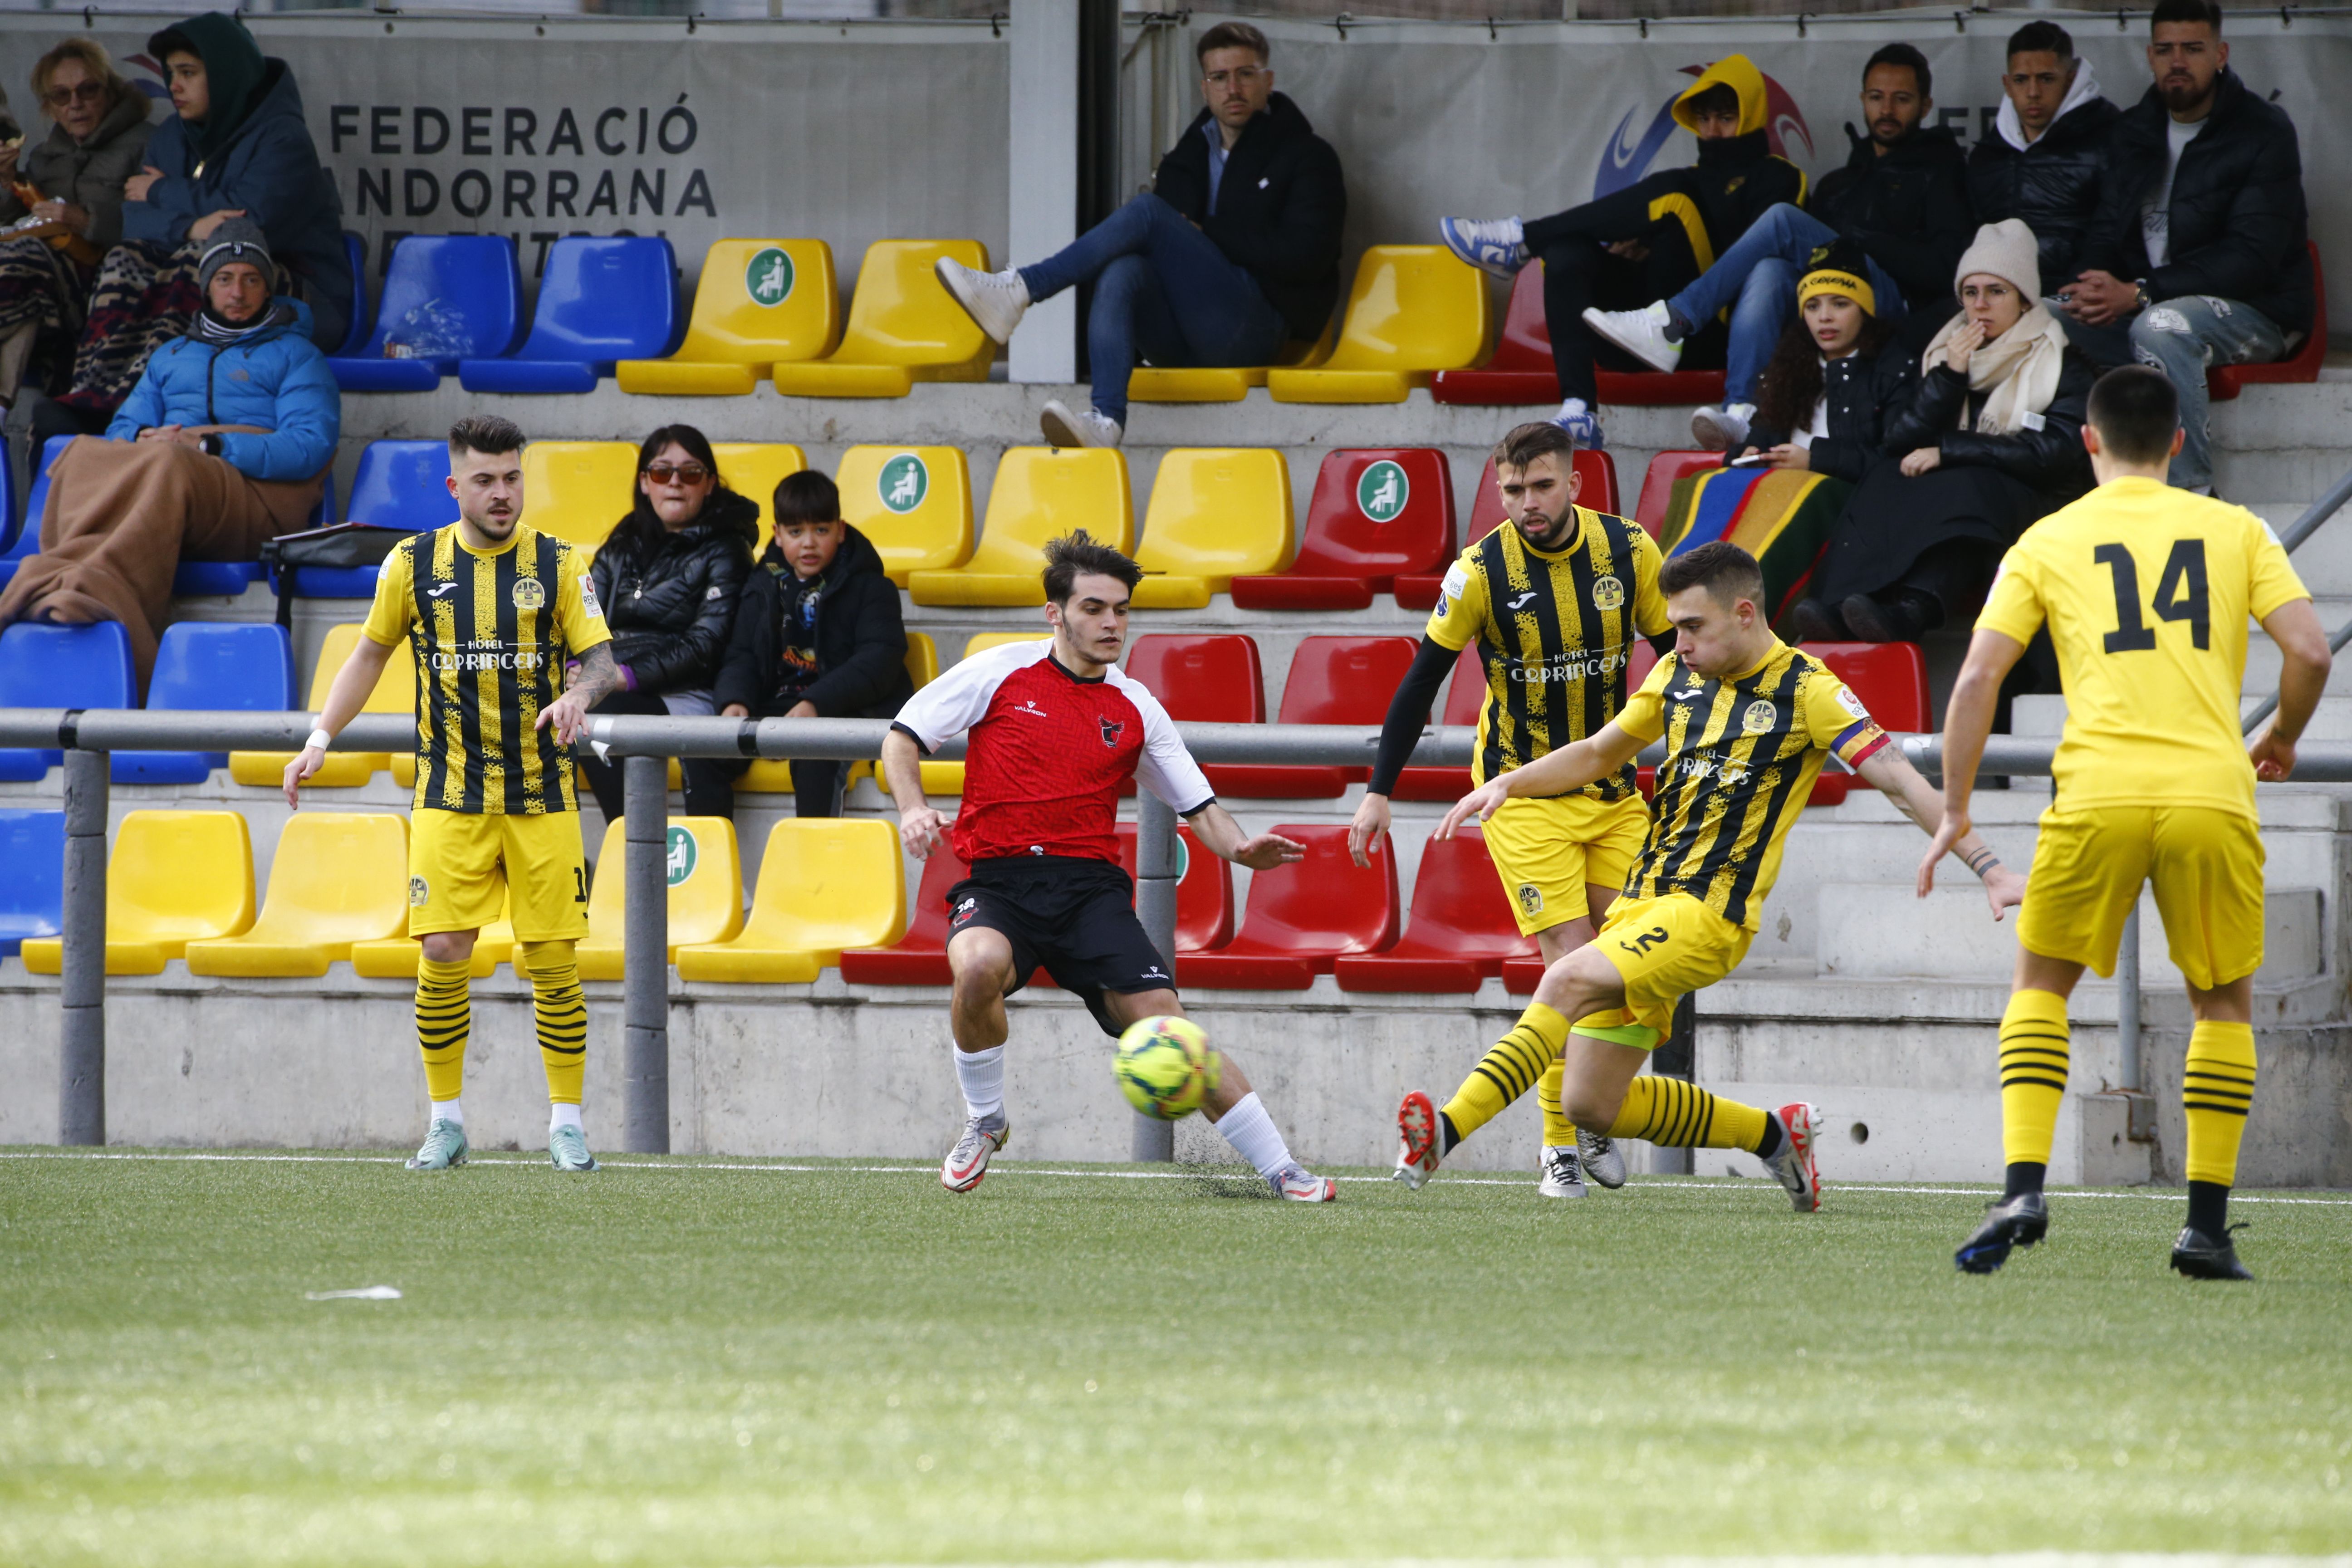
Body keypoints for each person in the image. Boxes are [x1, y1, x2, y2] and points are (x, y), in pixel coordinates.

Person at [1401, 540, 2026, 1207]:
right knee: (1590, 1104)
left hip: (1706, 915)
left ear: (1746, 614)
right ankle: (1775, 1137)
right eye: (1675, 626)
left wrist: (1988, 867)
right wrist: (1509, 785)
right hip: (1639, 907)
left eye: (1694, 626)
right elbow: (1595, 752)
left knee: (1567, 976)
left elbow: (1901, 780)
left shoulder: (1809, 691)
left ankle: (1444, 1131)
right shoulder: (1675, 673)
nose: (1681, 640)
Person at [1926, 365, 2329, 1279]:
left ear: (2089, 440)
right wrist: (2281, 738)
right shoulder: (2234, 529)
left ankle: (2024, 1185)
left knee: (2041, 984)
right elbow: (2308, 650)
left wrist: (1955, 807)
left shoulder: (2048, 537)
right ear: (2179, 443)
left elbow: (1981, 678)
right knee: (2221, 1002)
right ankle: (2205, 1229)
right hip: (2209, 792)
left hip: (2097, 790)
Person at [880, 531, 1337, 1202]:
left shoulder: (1136, 706)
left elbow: (1201, 805)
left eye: (1121, 610)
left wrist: (1240, 849)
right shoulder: (998, 672)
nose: (1111, 624)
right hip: (1000, 883)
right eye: (1094, 608)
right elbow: (902, 737)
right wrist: (913, 807)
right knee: (975, 966)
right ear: (1055, 613)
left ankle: (1282, 1170)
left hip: (1089, 893)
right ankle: (986, 1120)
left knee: (1172, 1030)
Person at [283, 415, 622, 1176]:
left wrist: (579, 696)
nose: (501, 494)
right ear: (454, 486)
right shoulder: (412, 564)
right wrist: (318, 739)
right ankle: (445, 1122)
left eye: (511, 478)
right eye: (485, 480)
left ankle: (566, 1125)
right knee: (441, 948)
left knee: (553, 958)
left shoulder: (562, 565)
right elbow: (369, 653)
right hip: (448, 793)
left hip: (542, 795)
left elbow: (603, 662)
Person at [1350, 421, 1669, 1197]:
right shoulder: (1477, 573)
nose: (1527, 504)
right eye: (1512, 490)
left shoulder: (1628, 552)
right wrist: (1378, 790)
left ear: (1574, 485)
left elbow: (1675, 659)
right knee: (1570, 961)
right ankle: (1561, 1143)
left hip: (1610, 791)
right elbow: (1420, 681)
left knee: (1639, 967)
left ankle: (1596, 1105)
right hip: (1517, 794)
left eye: (1540, 487)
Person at [933, 20, 1343, 451]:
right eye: (1220, 78)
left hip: (1256, 330)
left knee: (1148, 212)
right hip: (1182, 337)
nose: (1233, 89)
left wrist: (1210, 233)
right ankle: (1106, 420)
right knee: (1124, 270)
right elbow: (1171, 247)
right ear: (1205, 88)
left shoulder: (1308, 156)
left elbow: (1308, 255)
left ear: (1268, 81)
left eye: (1245, 74)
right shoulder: (1187, 158)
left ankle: (1022, 289)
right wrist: (1193, 236)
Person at [1583, 44, 1974, 453]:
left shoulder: (1942, 170)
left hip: (1897, 309)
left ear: (1927, 104)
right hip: (1832, 305)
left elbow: (1947, 268)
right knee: (1769, 269)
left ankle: (1672, 323)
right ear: (1862, 100)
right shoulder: (1840, 183)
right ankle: (1741, 410)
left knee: (1782, 220)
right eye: (1877, 97)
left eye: (1902, 99)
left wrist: (1863, 242)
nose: (1887, 109)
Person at [0, 218, 336, 693]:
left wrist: (209, 445)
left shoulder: (298, 355)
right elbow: (123, 430)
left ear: (268, 288)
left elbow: (308, 447)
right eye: (224, 279)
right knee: (81, 452)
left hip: (257, 503)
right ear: (206, 287)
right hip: (176, 484)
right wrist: (149, 437)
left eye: (250, 279)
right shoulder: (172, 354)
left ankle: (108, 602)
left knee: (168, 463)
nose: (237, 292)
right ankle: (65, 576)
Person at [1435, 56, 1806, 450]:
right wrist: (1651, 248)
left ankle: (1522, 239)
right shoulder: (1690, 180)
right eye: (1704, 118)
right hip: (1636, 343)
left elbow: (1757, 261)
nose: (1712, 130)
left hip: (1715, 334)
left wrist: (1678, 231)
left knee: (1675, 197)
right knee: (1566, 252)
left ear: (1751, 116)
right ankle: (1579, 408)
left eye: (1727, 118)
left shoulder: (1779, 176)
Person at [1793, 219, 2094, 645]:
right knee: (1886, 475)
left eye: (1996, 292)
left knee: (1967, 483)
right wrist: (1950, 376)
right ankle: (1838, 603)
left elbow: (2054, 454)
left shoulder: (2064, 362)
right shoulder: (1946, 351)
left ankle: (1912, 610)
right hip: (1968, 490)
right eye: (1971, 293)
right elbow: (1898, 441)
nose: (1980, 306)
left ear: (2025, 300)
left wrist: (1950, 451)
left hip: (2038, 502)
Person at [2061, 0, 2312, 496]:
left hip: (2259, 311)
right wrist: (2089, 286)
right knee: (2044, 318)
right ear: (2150, 57)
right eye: (2166, 49)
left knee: (2163, 326)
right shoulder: (2133, 129)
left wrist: (2139, 293)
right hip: (2146, 298)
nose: (2178, 61)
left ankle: (2189, 498)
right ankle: (2073, 489)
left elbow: (2251, 259)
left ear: (2220, 54)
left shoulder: (2262, 130)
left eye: (2193, 49)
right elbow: (2105, 232)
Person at [50, 12, 348, 424]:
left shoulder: (283, 137)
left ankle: (135, 406)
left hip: (306, 299)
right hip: (214, 277)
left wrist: (162, 191)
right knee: (127, 258)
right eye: (171, 73)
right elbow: (132, 221)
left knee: (205, 262)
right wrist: (191, 226)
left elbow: (248, 227)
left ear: (226, 76)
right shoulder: (173, 135)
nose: (174, 86)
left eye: (188, 73)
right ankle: (90, 394)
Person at [575, 426, 755, 824]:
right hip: (615, 683)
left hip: (688, 691)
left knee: (596, 709)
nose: (675, 482)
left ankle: (634, 842)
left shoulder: (727, 550)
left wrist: (620, 677)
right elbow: (581, 618)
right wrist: (576, 668)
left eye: (690, 473)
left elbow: (706, 645)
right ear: (644, 482)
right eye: (661, 473)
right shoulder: (623, 543)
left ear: (709, 484)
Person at [713, 469, 915, 821]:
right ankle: (710, 861)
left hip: (848, 710)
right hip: (780, 706)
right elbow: (741, 654)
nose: (808, 542)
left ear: (841, 530)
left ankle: (815, 859)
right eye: (796, 532)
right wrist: (734, 701)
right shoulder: (763, 586)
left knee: (814, 752)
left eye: (821, 530)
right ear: (777, 535)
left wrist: (815, 703)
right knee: (706, 751)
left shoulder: (871, 587)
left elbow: (878, 662)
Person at [0, 40, 152, 406]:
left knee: (21, 259)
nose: (75, 104)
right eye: (61, 95)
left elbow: (161, 224)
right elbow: (15, 222)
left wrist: (87, 221)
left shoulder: (147, 143)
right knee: (20, 272)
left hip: (112, 281)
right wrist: (6, 182)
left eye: (88, 90)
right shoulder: (44, 157)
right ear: (49, 107)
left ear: (110, 92)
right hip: (46, 287)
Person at [1729, 237, 1918, 483]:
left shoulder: (1895, 370)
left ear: (1864, 310)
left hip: (1848, 508)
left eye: (1840, 304)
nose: (1824, 317)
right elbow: (1759, 440)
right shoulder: (1788, 368)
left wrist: (1814, 462)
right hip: (1780, 498)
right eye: (1813, 306)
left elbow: (1897, 464)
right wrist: (1746, 454)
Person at [1964, 23, 2118, 304]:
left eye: (2046, 79)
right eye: (2022, 80)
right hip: (1997, 301)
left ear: (2070, 81)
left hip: (2076, 301)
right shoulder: (1987, 157)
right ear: (2007, 85)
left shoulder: (2109, 142)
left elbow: (2112, 238)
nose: (2033, 92)